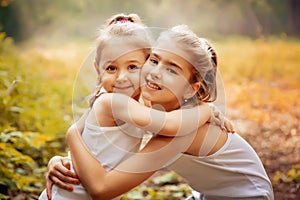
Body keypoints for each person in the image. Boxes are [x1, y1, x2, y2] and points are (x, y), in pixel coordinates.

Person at [45, 24, 273, 200]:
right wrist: (61, 161)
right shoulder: (145, 108)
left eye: (172, 71)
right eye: (154, 60)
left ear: (190, 88)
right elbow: (93, 134)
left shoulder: (182, 131)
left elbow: (102, 189)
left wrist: (72, 135)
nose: (155, 73)